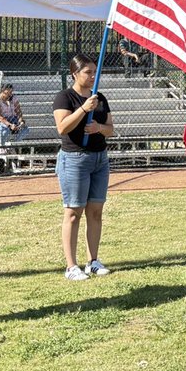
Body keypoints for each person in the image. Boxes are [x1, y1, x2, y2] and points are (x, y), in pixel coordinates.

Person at [53, 54, 115, 280]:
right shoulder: (64, 97)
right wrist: (83, 110)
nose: (92, 77)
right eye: (88, 72)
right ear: (75, 74)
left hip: (100, 159)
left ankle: (93, 261)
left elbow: (110, 129)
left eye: (95, 72)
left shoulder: (100, 98)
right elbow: (62, 127)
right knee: (73, 213)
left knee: (95, 211)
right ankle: (71, 266)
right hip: (74, 159)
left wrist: (99, 127)